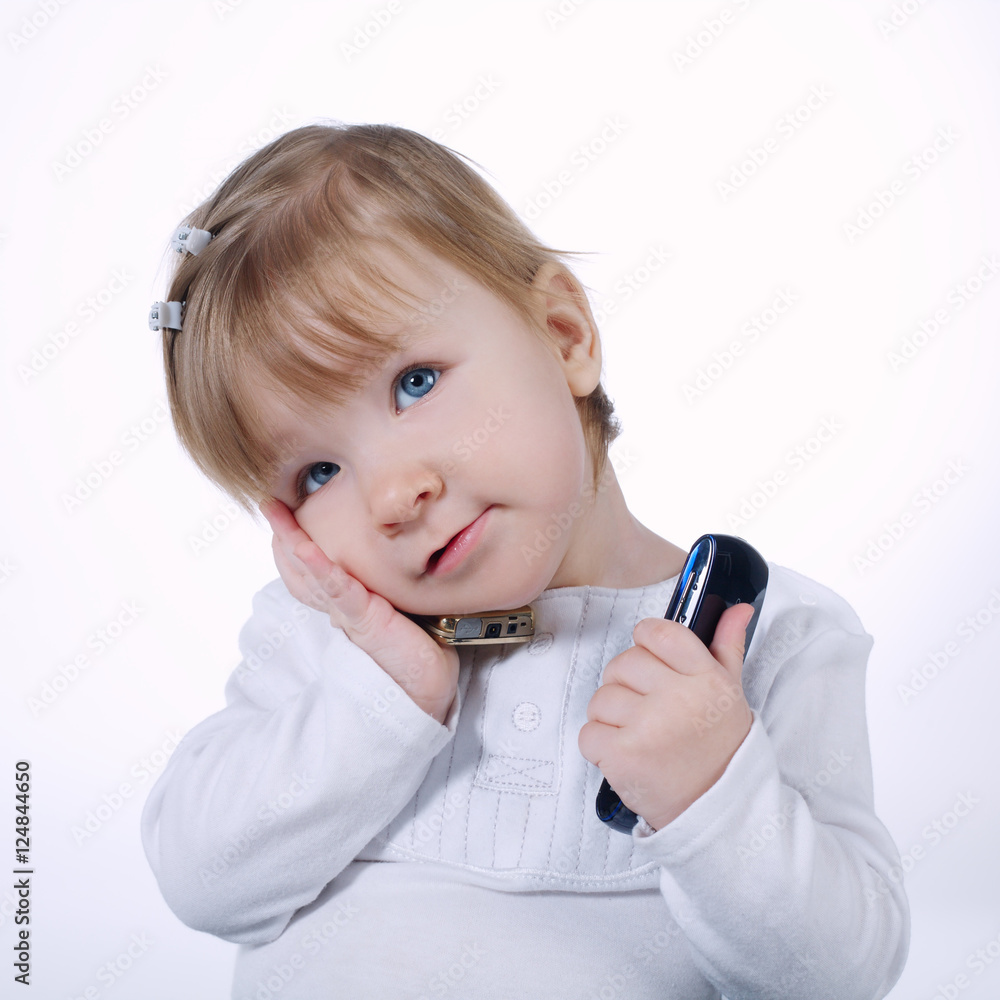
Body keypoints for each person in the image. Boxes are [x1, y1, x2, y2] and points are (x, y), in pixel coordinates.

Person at [140, 122, 909, 999]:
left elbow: (843, 974)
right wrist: (383, 695)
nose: (393, 497)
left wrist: (712, 792)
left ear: (563, 333)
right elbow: (202, 882)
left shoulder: (764, 643)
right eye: (318, 472)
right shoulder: (328, 640)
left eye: (415, 383)